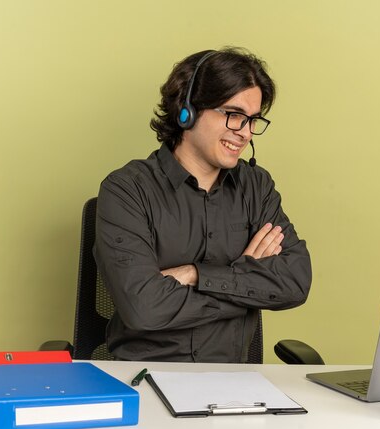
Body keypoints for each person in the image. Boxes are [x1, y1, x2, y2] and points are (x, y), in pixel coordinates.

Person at [94, 47, 312, 362]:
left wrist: (195, 274)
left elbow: (295, 281)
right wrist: (243, 279)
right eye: (234, 115)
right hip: (145, 378)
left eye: (253, 120)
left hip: (233, 386)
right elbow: (144, 309)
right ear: (188, 110)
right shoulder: (127, 190)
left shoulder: (256, 187)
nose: (246, 133)